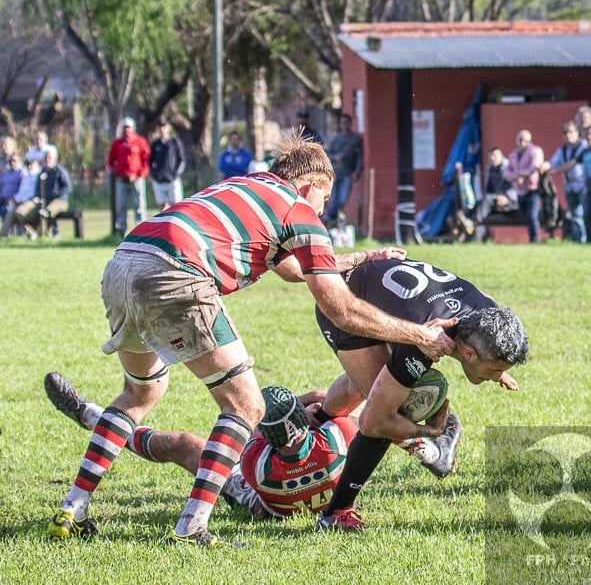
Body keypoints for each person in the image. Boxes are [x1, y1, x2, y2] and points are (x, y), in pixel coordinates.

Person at [46, 134, 454, 548]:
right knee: (245, 405)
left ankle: (72, 509)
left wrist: (361, 259)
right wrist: (419, 334)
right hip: (178, 270)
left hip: (126, 260)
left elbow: (294, 270)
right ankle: (191, 529)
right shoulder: (299, 210)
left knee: (140, 391)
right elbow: (340, 310)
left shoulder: (247, 187)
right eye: (325, 199)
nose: (323, 210)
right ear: (312, 186)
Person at [44, 372, 451, 520]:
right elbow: (357, 416)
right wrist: (316, 406)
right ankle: (434, 453)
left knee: (184, 445)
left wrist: (299, 410)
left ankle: (94, 416)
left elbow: (250, 434)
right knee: (371, 421)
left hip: (263, 504)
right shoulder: (339, 436)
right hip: (326, 492)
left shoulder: (256, 460)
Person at [312, 257, 528, 531]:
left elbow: (485, 301)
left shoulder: (487, 316)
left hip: (386, 290)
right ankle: (336, 512)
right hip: (346, 299)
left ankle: (317, 419)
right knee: (389, 409)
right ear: (470, 353)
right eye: (494, 368)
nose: (494, 376)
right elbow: (374, 423)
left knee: (370, 384)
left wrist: (496, 369)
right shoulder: (426, 341)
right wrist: (429, 433)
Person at [543, 120, 588, 242]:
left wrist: (555, 170)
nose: (568, 135)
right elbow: (552, 163)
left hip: (583, 186)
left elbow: (571, 164)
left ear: (577, 132)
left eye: (571, 132)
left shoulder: (584, 146)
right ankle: (579, 242)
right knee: (575, 216)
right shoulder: (561, 150)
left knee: (586, 215)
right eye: (565, 132)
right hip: (569, 186)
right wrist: (544, 166)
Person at [12, 147, 71, 238]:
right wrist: (37, 198)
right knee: (21, 213)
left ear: (55, 159)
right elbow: (37, 189)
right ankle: (33, 232)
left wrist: (58, 196)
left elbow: (67, 187)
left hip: (59, 201)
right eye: (45, 158)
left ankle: (44, 235)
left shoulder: (60, 171)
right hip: (42, 201)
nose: (47, 160)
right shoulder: (42, 173)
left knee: (45, 212)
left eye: (49, 158)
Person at [107, 117, 150, 235]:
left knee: (139, 205)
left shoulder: (140, 142)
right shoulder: (117, 144)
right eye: (125, 127)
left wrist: (139, 174)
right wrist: (117, 173)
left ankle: (142, 230)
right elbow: (110, 161)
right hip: (122, 180)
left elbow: (146, 161)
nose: (127, 130)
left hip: (136, 179)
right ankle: (121, 230)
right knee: (121, 206)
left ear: (133, 128)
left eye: (129, 127)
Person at [502, 129, 544, 243]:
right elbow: (506, 171)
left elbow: (535, 166)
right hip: (519, 190)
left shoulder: (535, 151)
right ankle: (531, 239)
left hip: (533, 189)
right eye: (520, 140)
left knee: (532, 216)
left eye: (525, 140)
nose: (522, 143)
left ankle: (535, 241)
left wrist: (522, 174)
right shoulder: (513, 155)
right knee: (526, 217)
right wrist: (515, 176)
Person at [323, 113, 364, 227]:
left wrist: (357, 171)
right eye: (342, 123)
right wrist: (335, 158)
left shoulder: (356, 139)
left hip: (347, 174)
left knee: (342, 199)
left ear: (350, 123)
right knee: (332, 200)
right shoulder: (336, 138)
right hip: (335, 173)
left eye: (346, 122)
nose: (344, 125)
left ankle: (329, 218)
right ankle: (332, 221)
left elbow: (360, 157)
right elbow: (326, 153)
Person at [472, 147, 519, 227]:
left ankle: (472, 225)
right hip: (494, 200)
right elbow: (488, 189)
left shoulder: (508, 168)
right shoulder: (489, 169)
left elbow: (516, 186)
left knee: (487, 200)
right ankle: (465, 222)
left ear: (501, 156)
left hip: (509, 201)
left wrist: (507, 198)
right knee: (478, 204)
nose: (492, 158)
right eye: (490, 156)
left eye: (494, 156)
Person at [149, 117, 186, 212]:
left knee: (176, 207)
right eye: (160, 127)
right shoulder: (155, 144)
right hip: (159, 181)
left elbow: (181, 160)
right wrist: (154, 175)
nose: (162, 129)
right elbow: (150, 161)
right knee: (162, 208)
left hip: (172, 180)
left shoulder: (175, 142)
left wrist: (176, 174)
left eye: (164, 126)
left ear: (168, 127)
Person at [0, 150, 27, 224]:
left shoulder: (21, 173)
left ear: (19, 161)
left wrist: (14, 198)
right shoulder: (5, 173)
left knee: (5, 210)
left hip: (13, 200)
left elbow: (23, 189)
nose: (12, 163)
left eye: (14, 161)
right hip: (2, 199)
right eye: (10, 161)